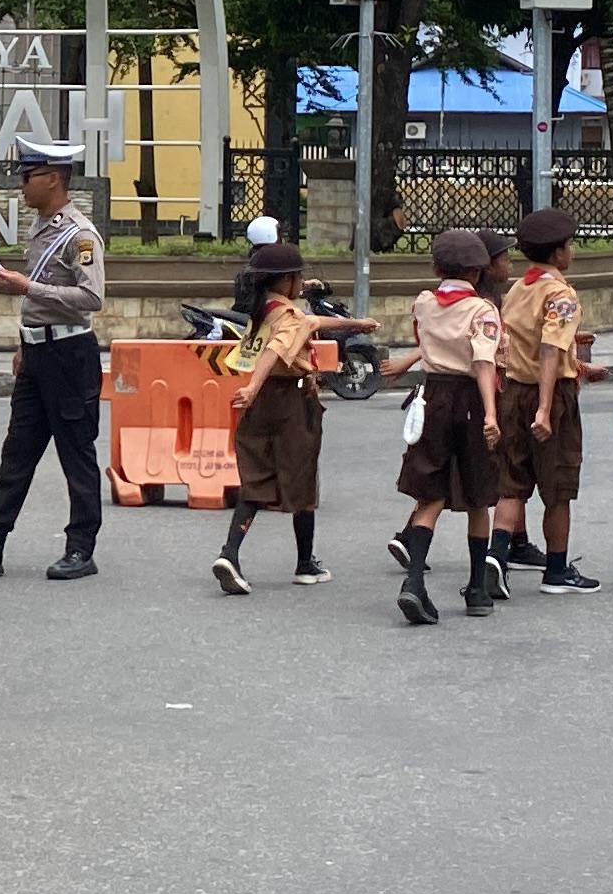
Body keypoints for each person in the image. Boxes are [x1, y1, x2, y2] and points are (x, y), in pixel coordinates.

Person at [0, 140, 108, 582]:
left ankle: (80, 548)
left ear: (52, 178)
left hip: (70, 355)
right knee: (18, 450)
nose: (20, 184)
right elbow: (41, 305)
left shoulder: (80, 235)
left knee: (76, 453)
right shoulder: (42, 228)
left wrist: (27, 287)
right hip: (39, 352)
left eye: (27, 176)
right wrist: (24, 345)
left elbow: (92, 297)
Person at [216, 242, 374, 595]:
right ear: (286, 280)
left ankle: (230, 553)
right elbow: (277, 348)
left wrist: (357, 323)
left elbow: (313, 321)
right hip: (290, 400)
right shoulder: (288, 318)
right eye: (298, 276)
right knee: (302, 477)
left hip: (260, 407)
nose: (301, 281)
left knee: (256, 477)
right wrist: (254, 386)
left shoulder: (266, 308)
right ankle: (305, 563)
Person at [382, 230, 506, 623]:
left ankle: (414, 582)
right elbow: (484, 363)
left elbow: (427, 343)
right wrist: (490, 413)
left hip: (433, 397)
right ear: (477, 270)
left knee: (430, 493)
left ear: (436, 268)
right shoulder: (483, 311)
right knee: (478, 497)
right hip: (470, 399)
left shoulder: (424, 303)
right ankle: (476, 590)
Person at [489, 209, 607, 596]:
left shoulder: (519, 288)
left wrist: (580, 365)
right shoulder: (561, 294)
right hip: (550, 395)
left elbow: (520, 344)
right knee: (558, 487)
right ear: (558, 253)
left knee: (512, 484)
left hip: (513, 390)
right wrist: (544, 407)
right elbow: (551, 348)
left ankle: (496, 557)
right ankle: (556, 570)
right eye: (569, 246)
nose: (571, 252)